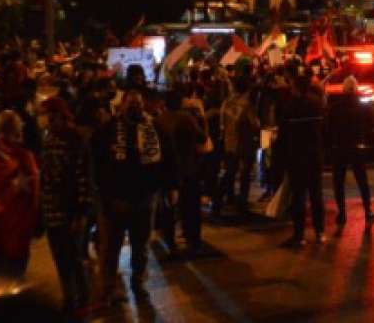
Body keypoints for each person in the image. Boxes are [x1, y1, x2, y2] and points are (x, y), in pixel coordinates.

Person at [92, 90, 175, 304]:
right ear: (123, 104)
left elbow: (167, 158)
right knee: (112, 247)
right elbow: (98, 161)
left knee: (141, 246)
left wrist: (169, 186)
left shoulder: (154, 128)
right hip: (116, 199)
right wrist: (104, 193)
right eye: (131, 103)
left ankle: (138, 283)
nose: (135, 107)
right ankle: (109, 287)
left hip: (145, 198)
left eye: (138, 103)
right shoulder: (109, 129)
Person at [38, 97, 93, 316]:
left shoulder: (74, 139)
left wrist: (81, 213)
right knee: (60, 257)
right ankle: (69, 298)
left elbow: (82, 177)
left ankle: (82, 298)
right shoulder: (49, 138)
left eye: (50, 115)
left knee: (74, 257)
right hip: (52, 209)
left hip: (69, 210)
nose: (47, 119)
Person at [0, 110, 40, 278]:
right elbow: (34, 188)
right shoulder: (24, 157)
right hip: (19, 223)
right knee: (16, 269)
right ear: (15, 130)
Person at [157, 93, 209, 257]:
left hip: (166, 170)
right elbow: (202, 137)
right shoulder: (186, 119)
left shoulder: (158, 121)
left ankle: (170, 241)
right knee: (191, 207)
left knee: (168, 208)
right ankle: (192, 239)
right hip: (187, 168)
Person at [280, 74, 327, 247]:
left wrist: (281, 158)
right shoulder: (317, 104)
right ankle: (320, 231)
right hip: (314, 154)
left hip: (297, 156)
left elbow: (283, 134)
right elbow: (324, 129)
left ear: (296, 88)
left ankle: (299, 235)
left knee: (298, 196)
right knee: (316, 195)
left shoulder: (291, 106)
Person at [327, 76, 374, 227]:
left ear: (343, 89)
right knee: (362, 181)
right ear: (356, 88)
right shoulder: (363, 107)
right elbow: (370, 126)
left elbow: (328, 128)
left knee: (339, 182)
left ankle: (342, 213)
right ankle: (367, 210)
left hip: (339, 147)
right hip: (357, 146)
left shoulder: (335, 107)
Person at [214, 77, 259, 217]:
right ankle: (242, 204)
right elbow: (255, 125)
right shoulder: (247, 105)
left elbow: (221, 123)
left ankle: (218, 202)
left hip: (229, 142)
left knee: (229, 173)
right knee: (245, 175)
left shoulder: (226, 103)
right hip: (244, 144)